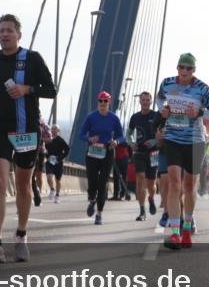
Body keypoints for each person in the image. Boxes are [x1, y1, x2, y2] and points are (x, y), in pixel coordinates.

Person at [0, 14, 57, 263]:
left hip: (26, 130)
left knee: (24, 186)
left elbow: (51, 89)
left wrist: (27, 89)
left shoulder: (32, 59)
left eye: (9, 31)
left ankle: (22, 235)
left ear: (19, 35)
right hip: (0, 129)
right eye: (1, 30)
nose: (4, 34)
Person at [157, 53, 209, 249]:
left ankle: (186, 228)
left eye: (189, 68)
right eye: (181, 67)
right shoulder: (167, 83)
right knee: (174, 184)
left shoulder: (203, 88)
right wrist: (163, 110)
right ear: (177, 67)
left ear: (194, 70)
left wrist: (199, 112)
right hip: (173, 139)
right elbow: (159, 101)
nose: (184, 71)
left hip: (195, 142)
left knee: (189, 186)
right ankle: (174, 233)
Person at [79, 91, 124, 225]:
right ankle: (92, 200)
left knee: (102, 183)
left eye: (105, 101)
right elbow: (81, 134)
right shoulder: (91, 117)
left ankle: (99, 214)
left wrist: (116, 142)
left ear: (109, 103)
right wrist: (89, 138)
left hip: (107, 152)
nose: (103, 103)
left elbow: (121, 136)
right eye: (100, 101)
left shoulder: (114, 118)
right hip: (92, 152)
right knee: (92, 182)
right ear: (97, 102)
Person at [127, 91, 161, 221]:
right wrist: (131, 143)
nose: (145, 102)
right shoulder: (135, 117)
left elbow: (162, 133)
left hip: (153, 153)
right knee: (140, 178)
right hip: (139, 152)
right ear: (139, 101)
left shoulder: (156, 115)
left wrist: (153, 141)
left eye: (148, 100)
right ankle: (142, 210)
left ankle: (151, 198)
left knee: (151, 183)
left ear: (151, 101)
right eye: (143, 100)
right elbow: (129, 134)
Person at [44, 124, 70, 202]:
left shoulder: (60, 140)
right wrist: (46, 156)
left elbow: (67, 150)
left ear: (58, 131)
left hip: (58, 162)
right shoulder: (48, 140)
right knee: (49, 177)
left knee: (57, 180)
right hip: (50, 162)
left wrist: (60, 158)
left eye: (55, 129)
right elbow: (45, 149)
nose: (53, 130)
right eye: (52, 129)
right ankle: (52, 189)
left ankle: (57, 196)